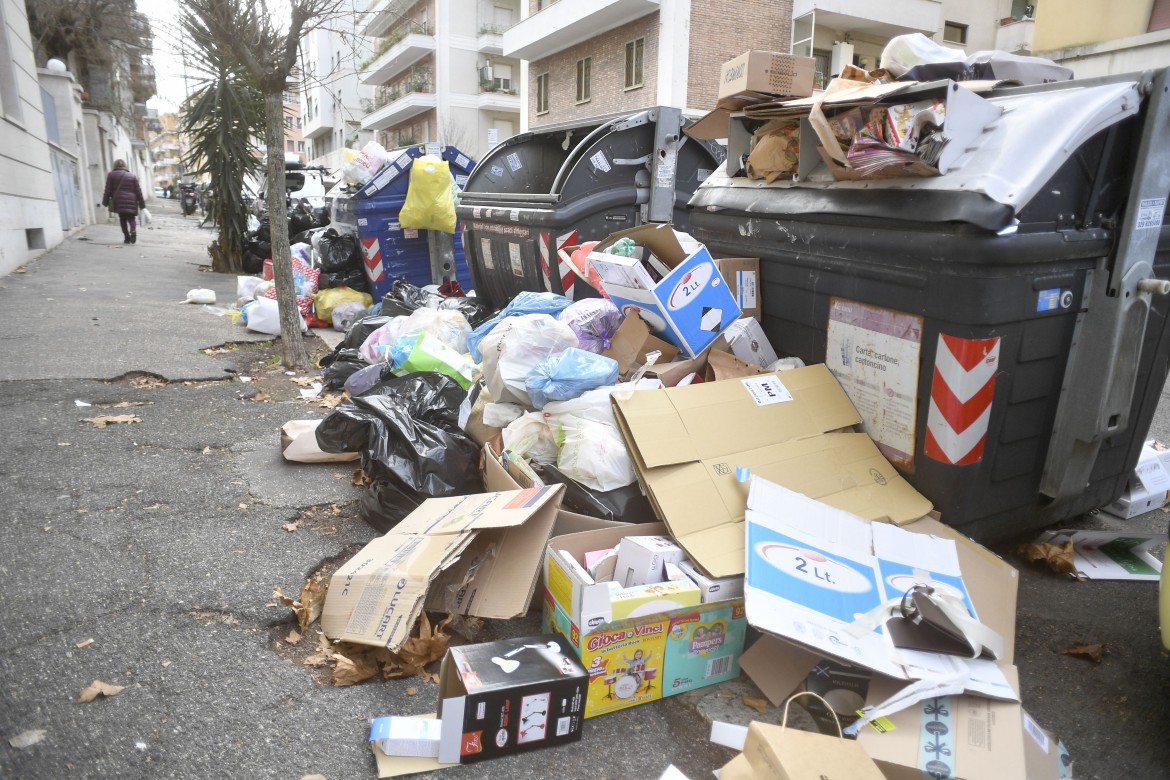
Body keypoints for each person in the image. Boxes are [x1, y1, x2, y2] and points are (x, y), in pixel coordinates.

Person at [101, 159, 146, 244]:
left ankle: (127, 238)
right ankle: (133, 230)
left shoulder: (111, 175)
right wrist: (142, 204)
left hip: (118, 200)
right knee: (131, 218)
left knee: (122, 219)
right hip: (132, 200)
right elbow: (138, 191)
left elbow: (108, 190)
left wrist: (105, 202)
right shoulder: (132, 176)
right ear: (125, 165)